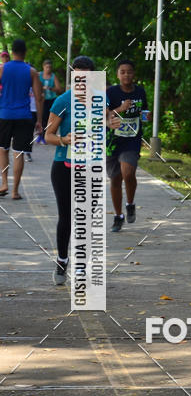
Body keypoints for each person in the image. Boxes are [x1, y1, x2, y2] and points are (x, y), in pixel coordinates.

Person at [45, 55, 121, 285]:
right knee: (67, 217)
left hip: (92, 165)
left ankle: (80, 266)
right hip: (64, 167)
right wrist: (64, 140)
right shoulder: (63, 101)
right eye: (77, 75)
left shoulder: (101, 99)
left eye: (86, 76)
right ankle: (61, 260)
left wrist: (111, 123)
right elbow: (47, 136)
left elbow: (108, 122)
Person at [106, 59, 149, 232]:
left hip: (132, 139)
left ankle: (130, 203)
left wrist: (147, 117)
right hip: (112, 140)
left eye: (129, 71)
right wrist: (121, 108)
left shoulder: (140, 92)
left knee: (128, 172)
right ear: (117, 74)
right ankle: (118, 216)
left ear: (134, 74)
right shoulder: (111, 92)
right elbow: (104, 115)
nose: (126, 75)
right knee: (115, 179)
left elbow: (143, 112)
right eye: (122, 72)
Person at [0, 39, 42, 199]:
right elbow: (38, 98)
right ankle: (15, 191)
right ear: (25, 52)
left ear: (12, 52)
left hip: (4, 115)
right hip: (24, 116)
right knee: (19, 153)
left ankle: (4, 183)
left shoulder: (2, 68)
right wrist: (39, 120)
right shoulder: (32, 72)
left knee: (3, 150)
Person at [39, 59, 61, 139]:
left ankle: (48, 134)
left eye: (50, 67)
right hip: (42, 100)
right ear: (43, 67)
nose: (48, 69)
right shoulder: (39, 75)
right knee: (42, 117)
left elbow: (59, 89)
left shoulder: (53, 76)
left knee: (50, 117)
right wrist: (41, 89)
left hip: (51, 99)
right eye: (47, 67)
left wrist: (50, 88)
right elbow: (34, 86)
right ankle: (41, 135)